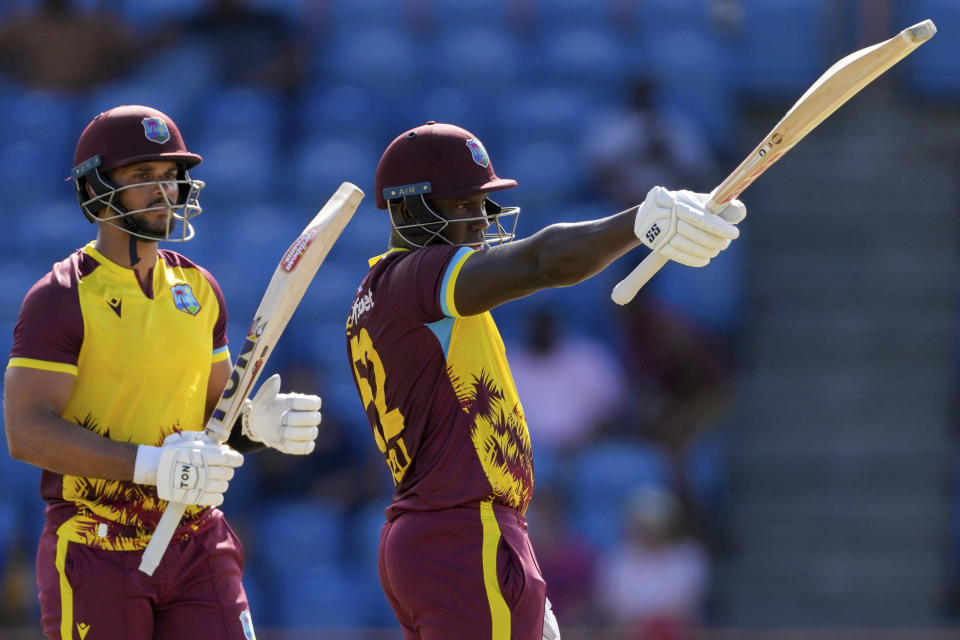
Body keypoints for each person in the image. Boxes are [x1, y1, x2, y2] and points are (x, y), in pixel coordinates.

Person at [345, 121, 746, 639]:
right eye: (463, 205)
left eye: (481, 204)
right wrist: (642, 220)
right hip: (464, 532)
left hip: (449, 533)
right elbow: (540, 261)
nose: (480, 222)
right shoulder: (416, 276)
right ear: (407, 208)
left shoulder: (385, 294)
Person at [3, 105, 323, 640]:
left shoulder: (199, 289)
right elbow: (27, 431)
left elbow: (215, 419)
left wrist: (258, 427)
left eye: (170, 175)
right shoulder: (60, 297)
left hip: (196, 538)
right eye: (142, 176)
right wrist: (150, 465)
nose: (165, 190)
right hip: (96, 544)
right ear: (96, 190)